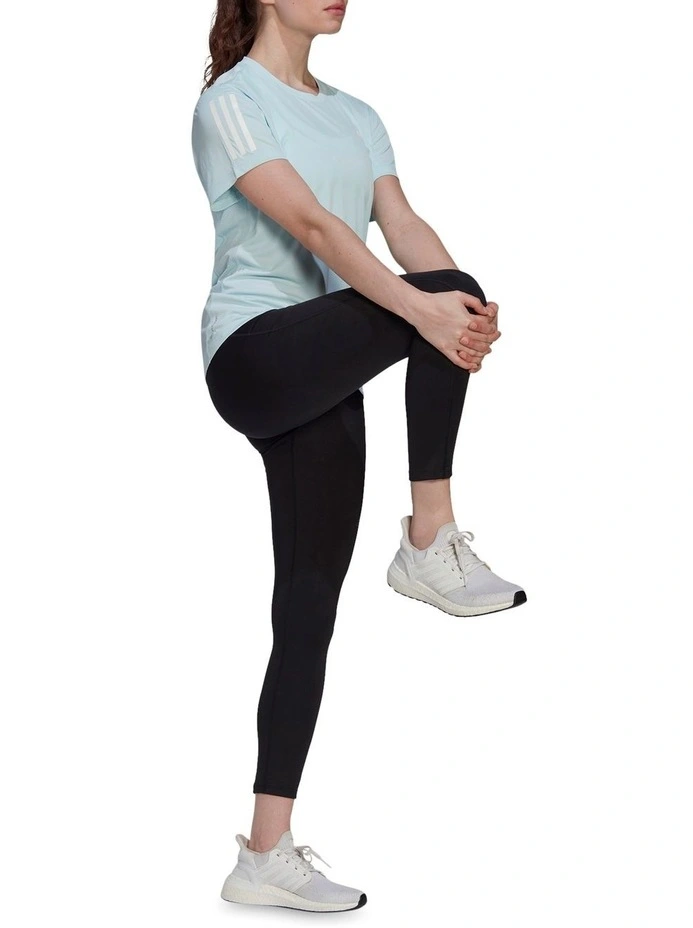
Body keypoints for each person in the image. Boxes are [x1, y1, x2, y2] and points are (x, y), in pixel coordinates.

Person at [191, 0, 527, 914]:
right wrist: (429, 308)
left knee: (307, 609)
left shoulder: (357, 114)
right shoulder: (231, 101)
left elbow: (402, 227)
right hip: (256, 352)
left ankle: (263, 855)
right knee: (441, 296)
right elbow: (314, 227)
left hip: (326, 365)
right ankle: (428, 537)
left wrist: (464, 315)